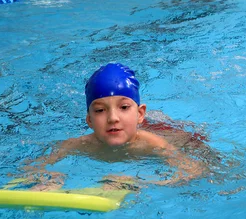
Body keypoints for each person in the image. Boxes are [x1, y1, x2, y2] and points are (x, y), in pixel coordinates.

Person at [21, 63, 205, 191]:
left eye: (124, 107)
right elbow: (32, 167)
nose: (112, 118)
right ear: (89, 120)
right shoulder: (80, 144)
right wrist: (47, 177)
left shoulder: (151, 144)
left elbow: (194, 170)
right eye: (100, 110)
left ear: (140, 114)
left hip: (174, 133)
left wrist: (139, 182)